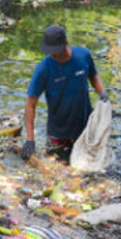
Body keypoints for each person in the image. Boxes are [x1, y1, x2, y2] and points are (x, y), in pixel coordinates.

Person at [22, 26, 107, 163]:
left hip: (85, 127)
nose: (52, 55)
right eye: (49, 51)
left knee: (89, 168)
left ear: (65, 43)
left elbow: (94, 76)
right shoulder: (43, 69)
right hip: (58, 133)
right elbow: (30, 105)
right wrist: (30, 140)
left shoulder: (83, 55)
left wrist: (102, 93)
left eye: (55, 51)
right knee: (58, 170)